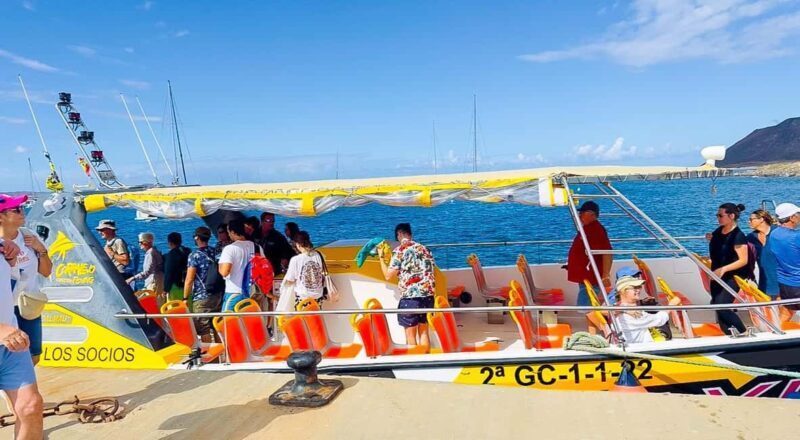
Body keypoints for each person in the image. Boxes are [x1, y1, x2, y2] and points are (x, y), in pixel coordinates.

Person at [0, 232, 44, 440]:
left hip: (11, 344)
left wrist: (9, 262)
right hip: (6, 334)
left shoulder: (3, 247)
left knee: (30, 408)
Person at [0, 194, 51, 365]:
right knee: (6, 357)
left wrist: (41, 249)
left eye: (22, 208)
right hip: (4, 309)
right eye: (16, 210)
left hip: (27, 305)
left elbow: (46, 271)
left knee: (33, 355)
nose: (22, 212)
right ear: (1, 216)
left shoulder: (29, 236)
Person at [377, 223, 436, 349]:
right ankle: (426, 359)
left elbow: (388, 275)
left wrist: (381, 257)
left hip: (411, 298)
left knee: (410, 334)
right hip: (428, 296)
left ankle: (415, 363)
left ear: (399, 234)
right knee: (424, 331)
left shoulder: (400, 251)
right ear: (410, 234)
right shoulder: (425, 248)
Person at [708, 203, 750, 335]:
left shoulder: (738, 236)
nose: (718, 218)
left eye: (720, 215)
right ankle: (728, 334)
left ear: (731, 216)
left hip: (732, 277)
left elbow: (743, 260)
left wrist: (723, 269)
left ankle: (743, 332)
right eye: (717, 215)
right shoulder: (718, 231)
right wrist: (710, 237)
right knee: (715, 303)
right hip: (717, 275)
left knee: (722, 305)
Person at [614, 276, 680, 344]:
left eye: (639, 287)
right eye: (634, 288)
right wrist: (671, 305)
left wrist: (642, 302)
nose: (638, 290)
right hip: (639, 350)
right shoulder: (632, 314)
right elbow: (659, 319)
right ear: (622, 291)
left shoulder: (618, 307)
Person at [183, 227, 220, 342]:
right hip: (217, 294)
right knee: (217, 326)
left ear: (197, 238)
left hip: (201, 297)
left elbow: (189, 279)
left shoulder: (194, 256)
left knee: (204, 329)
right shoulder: (215, 252)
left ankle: (211, 359)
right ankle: (222, 357)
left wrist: (185, 298)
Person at [219, 219, 264, 311]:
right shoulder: (256, 247)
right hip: (252, 292)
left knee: (228, 322)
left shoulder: (230, 249)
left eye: (228, 232)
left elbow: (224, 272)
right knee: (247, 323)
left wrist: (219, 266)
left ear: (232, 232)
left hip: (234, 292)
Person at [769, 203, 800, 323]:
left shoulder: (774, 234)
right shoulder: (796, 237)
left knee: (787, 311)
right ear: (792, 218)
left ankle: (774, 334)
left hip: (784, 283)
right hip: (797, 282)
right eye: (798, 214)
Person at [281, 231, 325, 308]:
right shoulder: (319, 255)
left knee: (302, 319)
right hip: (317, 298)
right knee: (315, 318)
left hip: (303, 299)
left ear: (298, 244)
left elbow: (290, 280)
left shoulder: (296, 259)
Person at [746, 209, 779, 298]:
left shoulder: (777, 233)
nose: (749, 222)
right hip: (764, 284)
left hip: (781, 282)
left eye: (751, 219)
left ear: (761, 219)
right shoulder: (751, 237)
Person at [163, 232, 191, 301]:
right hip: (187, 285)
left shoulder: (171, 255)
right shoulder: (188, 251)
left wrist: (166, 289)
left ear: (170, 243)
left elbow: (168, 273)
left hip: (176, 285)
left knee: (176, 308)